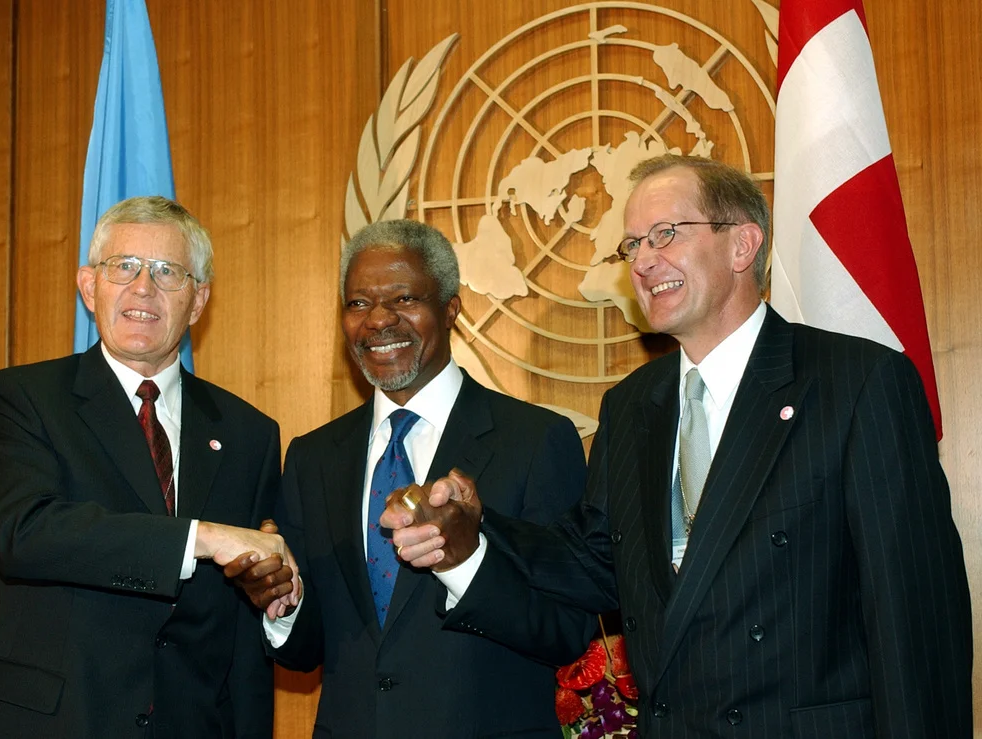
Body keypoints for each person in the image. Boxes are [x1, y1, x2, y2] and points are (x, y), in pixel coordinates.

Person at [384, 155, 973, 737]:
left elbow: (915, 623)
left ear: (743, 246)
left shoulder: (856, 383)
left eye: (665, 234)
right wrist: (477, 524)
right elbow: (598, 564)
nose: (642, 260)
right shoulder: (633, 404)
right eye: (632, 245)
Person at [228, 219, 593, 738]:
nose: (378, 320)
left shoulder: (536, 441)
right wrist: (281, 602)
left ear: (450, 308)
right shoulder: (313, 458)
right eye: (358, 304)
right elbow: (308, 651)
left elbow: (566, 631)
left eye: (403, 298)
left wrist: (467, 563)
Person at [0, 196, 297, 739]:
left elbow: (241, 636)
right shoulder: (24, 397)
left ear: (197, 301)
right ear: (89, 288)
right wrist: (201, 538)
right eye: (125, 267)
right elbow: (22, 533)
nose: (144, 287)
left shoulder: (249, 434)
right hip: (52, 723)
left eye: (168, 272)